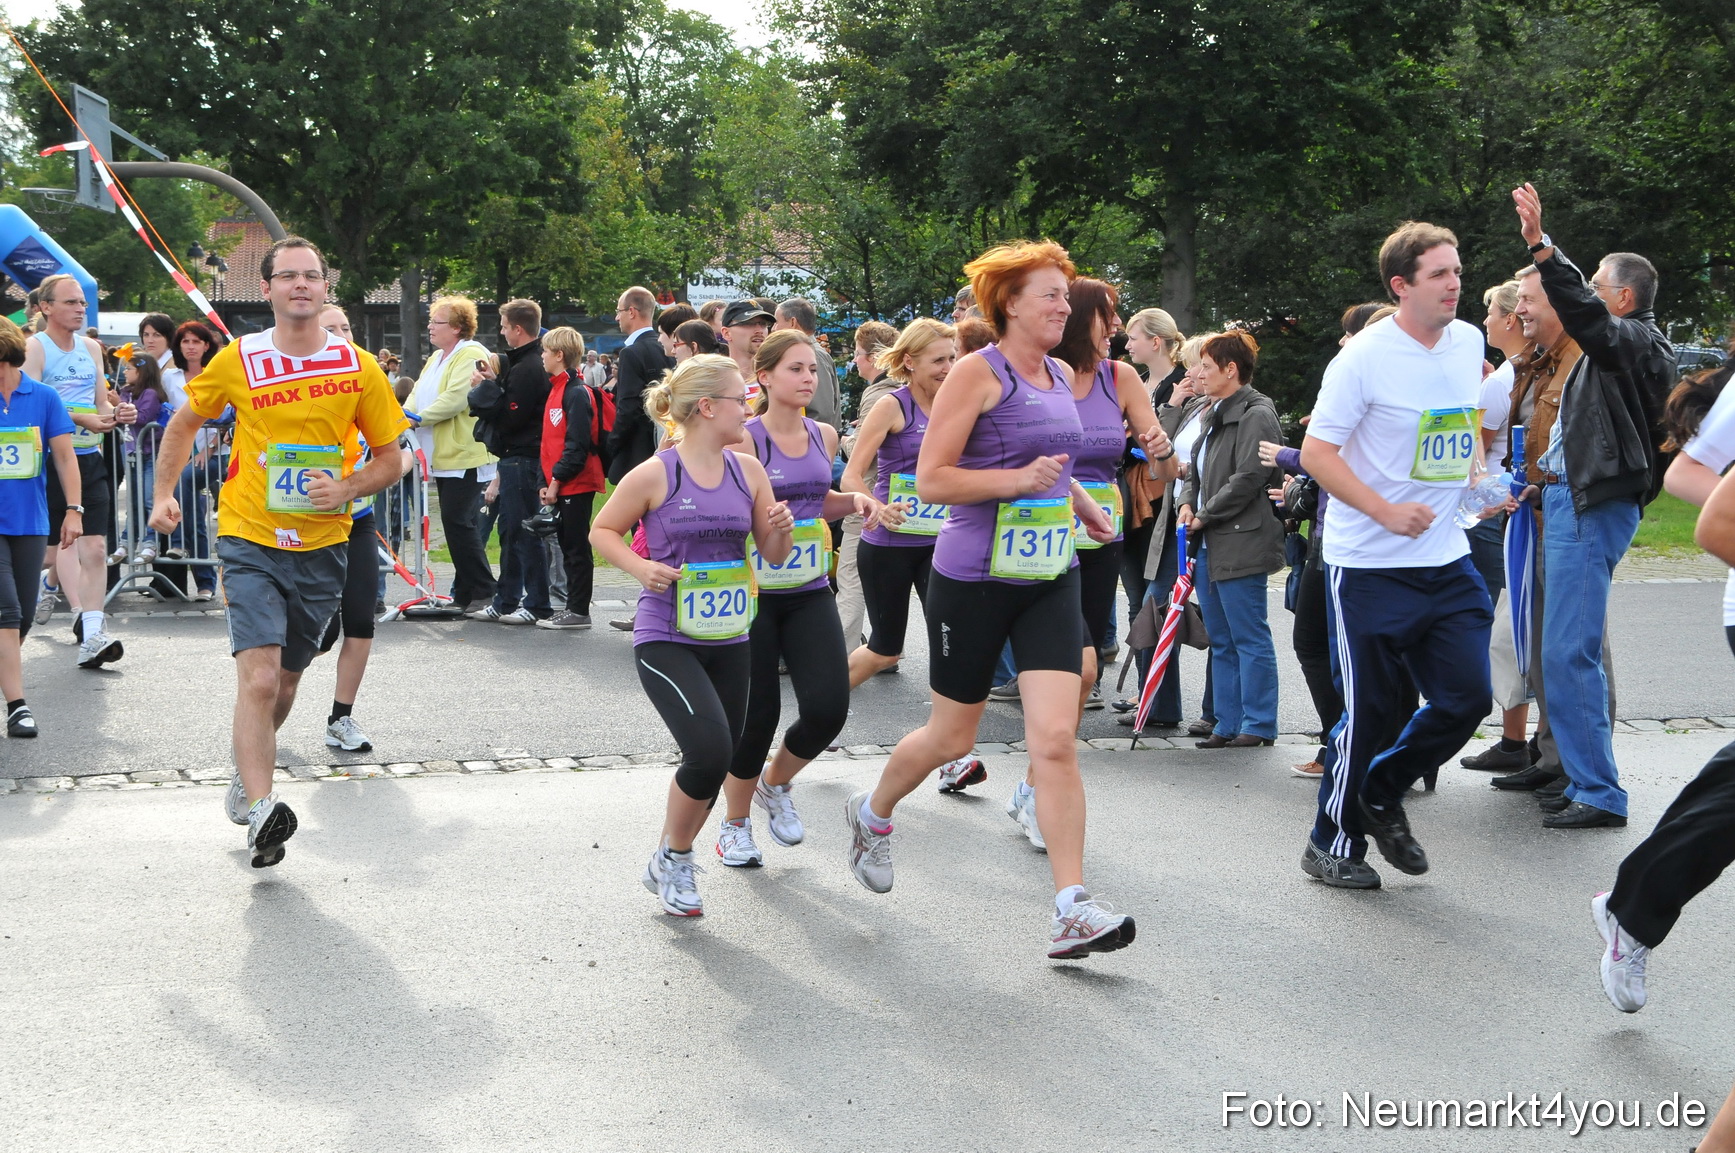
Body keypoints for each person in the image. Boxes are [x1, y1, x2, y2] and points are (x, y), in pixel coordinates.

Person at [844, 240, 1131, 960]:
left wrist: (1079, 504)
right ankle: (873, 812)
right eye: (1050, 295)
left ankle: (1071, 906)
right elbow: (933, 479)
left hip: (1049, 574)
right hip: (973, 579)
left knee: (1055, 740)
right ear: (1010, 303)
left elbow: (1052, 462)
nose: (1064, 307)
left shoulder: (1059, 372)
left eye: (1065, 295)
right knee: (952, 738)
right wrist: (1016, 483)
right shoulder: (977, 372)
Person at [148, 236, 407, 868]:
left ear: (325, 288)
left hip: (323, 543)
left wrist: (346, 488)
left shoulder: (357, 367)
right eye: (287, 276)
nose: (300, 285)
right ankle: (264, 810)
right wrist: (162, 494)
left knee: (287, 681)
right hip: (249, 536)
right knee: (259, 677)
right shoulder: (239, 357)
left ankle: (247, 773)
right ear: (266, 289)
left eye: (311, 276)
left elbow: (392, 457)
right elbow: (184, 423)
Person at [1299, 221, 1494, 890]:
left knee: (1467, 698)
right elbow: (1317, 453)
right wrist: (1384, 510)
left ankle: (1380, 789)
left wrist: (1474, 477)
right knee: (1373, 712)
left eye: (1457, 271)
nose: (1454, 283)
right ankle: (1330, 842)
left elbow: (1460, 422)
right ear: (1400, 285)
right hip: (1368, 566)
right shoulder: (1361, 359)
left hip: (1446, 557)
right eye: (1439, 273)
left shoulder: (1468, 342)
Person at [589, 354, 796, 916]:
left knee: (721, 754)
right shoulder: (657, 472)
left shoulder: (748, 471)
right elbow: (602, 530)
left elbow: (773, 555)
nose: (749, 408)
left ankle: (668, 856)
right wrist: (641, 568)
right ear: (707, 407)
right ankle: (677, 859)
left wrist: (780, 530)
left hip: (730, 636)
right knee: (707, 752)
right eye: (740, 399)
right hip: (666, 636)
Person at [1511, 184, 1677, 828]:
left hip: (1592, 507)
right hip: (1571, 500)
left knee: (1568, 652)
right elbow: (1583, 435)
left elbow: (1588, 320)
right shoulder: (1616, 345)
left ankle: (1600, 792)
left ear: (1624, 298)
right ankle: (1583, 779)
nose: (1581, 296)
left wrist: (1543, 248)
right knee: (1562, 652)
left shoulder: (1635, 341)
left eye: (1596, 286)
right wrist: (1544, 481)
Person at [1004, 278, 1167, 847]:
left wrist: (1162, 451)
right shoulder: (1035, 374)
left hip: (1101, 537)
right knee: (1079, 670)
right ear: (1081, 318)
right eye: (1108, 315)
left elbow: (1161, 461)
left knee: (1084, 669)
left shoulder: (1118, 377)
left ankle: (1033, 787)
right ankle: (1030, 785)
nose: (1116, 325)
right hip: (1038, 536)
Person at [714, 330, 886, 865]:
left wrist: (853, 502)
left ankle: (774, 783)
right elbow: (725, 507)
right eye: (795, 368)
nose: (808, 378)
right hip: (755, 595)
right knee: (757, 715)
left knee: (828, 708)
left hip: (809, 590)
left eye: (812, 369)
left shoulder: (824, 435)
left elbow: (817, 501)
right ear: (764, 377)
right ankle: (734, 825)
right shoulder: (745, 440)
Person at [1481, 266, 1587, 796]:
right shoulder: (1533, 366)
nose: (1517, 310)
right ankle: (1549, 756)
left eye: (1526, 300)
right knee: (1536, 640)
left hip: (1556, 516)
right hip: (1529, 513)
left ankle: (1580, 770)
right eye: (1517, 301)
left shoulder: (1579, 361)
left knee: (1569, 647)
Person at [1175, 330, 1284, 748]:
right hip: (1209, 539)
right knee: (1221, 638)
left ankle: (1258, 724)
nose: (1199, 374)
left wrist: (1204, 514)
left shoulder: (1256, 413)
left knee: (1248, 636)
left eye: (1206, 366)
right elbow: (1195, 471)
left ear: (1230, 369)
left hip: (1240, 539)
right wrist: (1187, 503)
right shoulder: (1213, 410)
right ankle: (1226, 722)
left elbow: (1250, 476)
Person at [312, 304, 408, 753]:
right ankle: (268, 698)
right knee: (312, 635)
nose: (342, 335)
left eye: (346, 327)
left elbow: (401, 452)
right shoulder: (300, 387)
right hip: (304, 525)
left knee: (361, 621)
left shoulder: (369, 380)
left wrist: (388, 470)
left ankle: (340, 718)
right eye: (330, 329)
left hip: (358, 520)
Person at [23, 273, 132, 668]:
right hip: (48, 463)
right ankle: (40, 586)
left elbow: (100, 402)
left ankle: (92, 634)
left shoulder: (90, 348)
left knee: (95, 548)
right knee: (49, 553)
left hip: (88, 459)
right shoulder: (35, 348)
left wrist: (116, 412)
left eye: (82, 302)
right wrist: (80, 418)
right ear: (46, 307)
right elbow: (30, 405)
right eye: (70, 302)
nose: (80, 309)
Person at [1452, 279, 1531, 773]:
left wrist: (1481, 495)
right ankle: (1520, 736)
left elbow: (1473, 450)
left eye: (1490, 313)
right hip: (1513, 506)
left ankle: (1512, 737)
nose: (1484, 321)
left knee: (1503, 622)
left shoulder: (1502, 380)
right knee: (1515, 618)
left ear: (1510, 319)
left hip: (1494, 513)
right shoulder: (1514, 374)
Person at [1125, 338, 1216, 733]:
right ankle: (1160, 704)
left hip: (1209, 524)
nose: (1192, 373)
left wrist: (1194, 495)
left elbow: (1220, 468)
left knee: (1220, 620)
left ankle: (1219, 713)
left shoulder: (1238, 408)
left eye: (1198, 365)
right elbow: (1158, 452)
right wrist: (1175, 404)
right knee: (1154, 606)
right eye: (1193, 365)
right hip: (1176, 519)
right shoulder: (1194, 405)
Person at [0, 316, 82, 737]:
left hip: (30, 520)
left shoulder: (44, 397)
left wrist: (74, 510)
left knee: (25, 616)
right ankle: (18, 707)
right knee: (8, 611)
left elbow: (65, 457)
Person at [406, 295, 497, 613]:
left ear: (457, 327)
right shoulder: (436, 357)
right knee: (456, 522)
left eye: (437, 322)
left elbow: (457, 397)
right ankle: (465, 593)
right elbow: (417, 391)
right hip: (442, 454)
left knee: (458, 521)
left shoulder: (470, 353)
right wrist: (405, 413)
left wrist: (418, 418)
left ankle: (484, 590)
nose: (430, 326)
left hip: (464, 452)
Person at [466, 298, 552, 624]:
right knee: (510, 532)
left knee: (523, 532)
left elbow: (512, 417)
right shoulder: (524, 363)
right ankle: (506, 600)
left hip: (523, 458)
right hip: (516, 458)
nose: (501, 333)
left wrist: (487, 388)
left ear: (517, 329)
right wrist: (497, 382)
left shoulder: (528, 367)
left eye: (504, 327)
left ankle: (536, 603)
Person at [835, 320, 900, 650]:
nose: (854, 361)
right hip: (899, 498)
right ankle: (888, 647)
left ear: (873, 358)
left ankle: (842, 655)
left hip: (869, 495)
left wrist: (844, 439)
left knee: (850, 578)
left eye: (858, 354)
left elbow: (863, 453)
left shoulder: (877, 393)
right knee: (887, 580)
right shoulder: (905, 388)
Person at [536, 326, 605, 630]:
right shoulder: (556, 389)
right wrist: (544, 481)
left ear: (559, 355)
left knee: (576, 547)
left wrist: (556, 480)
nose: (542, 356)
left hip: (576, 482)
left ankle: (579, 611)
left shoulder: (576, 392)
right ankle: (571, 608)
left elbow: (576, 444)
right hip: (561, 482)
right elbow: (548, 443)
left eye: (545, 351)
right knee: (567, 545)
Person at [157, 320, 222, 600]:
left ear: (207, 345)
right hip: (181, 453)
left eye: (196, 341)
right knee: (194, 516)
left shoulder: (216, 373)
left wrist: (209, 450)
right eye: (185, 341)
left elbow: (229, 414)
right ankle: (205, 584)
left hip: (217, 452)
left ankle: (183, 547)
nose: (191, 346)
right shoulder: (169, 377)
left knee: (188, 491)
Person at [605, 286, 669, 485]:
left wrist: (612, 443)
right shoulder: (666, 347)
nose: (617, 317)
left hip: (637, 452)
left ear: (631, 312)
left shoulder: (631, 353)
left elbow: (628, 407)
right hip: (665, 444)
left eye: (619, 311)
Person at [116, 353, 167, 564]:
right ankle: (126, 542)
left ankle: (150, 543)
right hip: (131, 453)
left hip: (150, 454)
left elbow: (143, 417)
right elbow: (118, 416)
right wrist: (117, 405)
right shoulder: (125, 391)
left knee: (148, 500)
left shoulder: (151, 393)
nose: (125, 372)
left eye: (129, 368)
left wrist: (124, 409)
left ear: (141, 372)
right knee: (133, 501)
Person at [773, 297, 840, 430]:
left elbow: (821, 412)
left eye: (776, 322)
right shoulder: (807, 353)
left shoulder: (814, 355)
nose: (774, 329)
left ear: (793, 322)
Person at [721, 300, 775, 401]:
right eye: (748, 323)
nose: (759, 330)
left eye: (763, 324)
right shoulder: (715, 381)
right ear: (726, 333)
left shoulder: (777, 379)